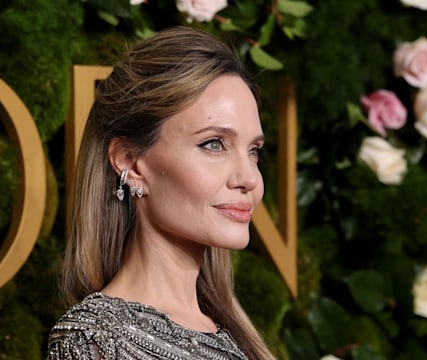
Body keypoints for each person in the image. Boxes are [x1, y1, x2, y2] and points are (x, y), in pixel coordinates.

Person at [48, 26, 276, 360]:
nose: (249, 179)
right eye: (214, 144)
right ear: (132, 163)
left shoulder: (238, 338)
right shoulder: (95, 341)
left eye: (254, 151)